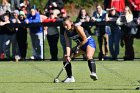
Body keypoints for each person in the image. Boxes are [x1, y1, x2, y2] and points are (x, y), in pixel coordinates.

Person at [62, 17, 98, 83]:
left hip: (89, 42)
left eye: (66, 24)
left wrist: (77, 47)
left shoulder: (77, 28)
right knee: (65, 57)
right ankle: (70, 77)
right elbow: (68, 45)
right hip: (80, 46)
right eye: (63, 25)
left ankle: (93, 73)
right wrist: (68, 55)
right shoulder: (66, 32)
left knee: (88, 56)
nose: (65, 26)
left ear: (71, 23)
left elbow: (85, 39)